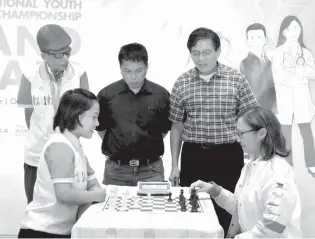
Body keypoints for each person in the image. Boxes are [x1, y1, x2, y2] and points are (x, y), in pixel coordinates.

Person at [168, 27, 258, 234]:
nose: (201, 58)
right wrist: (174, 164)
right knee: (192, 213)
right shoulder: (182, 82)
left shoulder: (237, 79)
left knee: (229, 211)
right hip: (193, 155)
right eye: (195, 53)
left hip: (229, 156)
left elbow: (252, 120)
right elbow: (176, 126)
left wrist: (254, 158)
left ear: (218, 51)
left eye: (206, 52)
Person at [190, 106, 301, 238]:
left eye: (241, 134)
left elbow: (274, 226)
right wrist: (215, 191)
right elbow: (242, 209)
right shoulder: (250, 166)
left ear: (261, 133)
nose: (238, 140)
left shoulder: (278, 172)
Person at [18, 89, 106, 238]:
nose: (97, 123)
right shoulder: (60, 146)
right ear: (78, 116)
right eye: (94, 117)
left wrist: (93, 194)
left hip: (62, 231)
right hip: (42, 232)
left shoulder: (75, 146)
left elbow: (93, 185)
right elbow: (64, 195)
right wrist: (95, 195)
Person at [17, 24, 89, 204]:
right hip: (36, 156)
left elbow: (84, 117)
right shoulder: (29, 75)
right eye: (59, 55)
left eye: (68, 52)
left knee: (68, 212)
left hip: (70, 157)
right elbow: (30, 116)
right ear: (44, 56)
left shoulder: (79, 74)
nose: (65, 58)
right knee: (36, 211)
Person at [96, 43, 171, 186]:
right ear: (120, 68)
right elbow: (101, 129)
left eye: (139, 70)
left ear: (147, 67)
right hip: (116, 171)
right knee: (112, 208)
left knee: (154, 208)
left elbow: (164, 129)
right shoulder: (106, 95)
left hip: (151, 171)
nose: (134, 77)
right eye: (127, 71)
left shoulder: (161, 95)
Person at [271, 15, 315, 176]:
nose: (293, 32)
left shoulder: (306, 52)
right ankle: (288, 165)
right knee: (285, 134)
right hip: (285, 99)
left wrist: (297, 71)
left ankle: (312, 163)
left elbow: (312, 72)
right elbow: (279, 75)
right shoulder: (277, 53)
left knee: (306, 132)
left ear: (301, 30)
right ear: (283, 32)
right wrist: (297, 74)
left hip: (302, 99)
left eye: (296, 28)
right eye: (289, 28)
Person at [240, 23, 277, 113]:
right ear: (247, 41)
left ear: (265, 40)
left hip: (270, 107)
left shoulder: (269, 61)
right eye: (252, 38)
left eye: (259, 37)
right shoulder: (245, 63)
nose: (256, 41)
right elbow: (251, 89)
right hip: (256, 108)